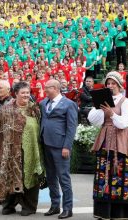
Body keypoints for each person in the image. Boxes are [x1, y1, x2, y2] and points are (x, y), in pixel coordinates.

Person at [0, 81, 45, 216]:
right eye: (22, 92)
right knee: (8, 176)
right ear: (15, 94)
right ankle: (8, 205)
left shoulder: (34, 109)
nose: (25, 95)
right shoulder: (5, 110)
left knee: (29, 177)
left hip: (31, 150)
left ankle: (28, 206)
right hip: (9, 151)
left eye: (27, 93)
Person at [88, 71, 128, 219]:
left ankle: (122, 213)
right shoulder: (103, 101)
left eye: (113, 84)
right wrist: (99, 108)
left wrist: (112, 114)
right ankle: (103, 212)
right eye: (108, 84)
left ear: (119, 86)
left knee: (121, 174)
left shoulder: (126, 102)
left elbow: (123, 123)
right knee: (103, 174)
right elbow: (93, 120)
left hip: (121, 141)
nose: (110, 86)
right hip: (105, 140)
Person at [40, 79, 78, 219]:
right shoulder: (43, 103)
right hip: (46, 144)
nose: (45, 90)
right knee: (50, 177)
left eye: (47, 88)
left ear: (55, 88)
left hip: (61, 146)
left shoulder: (69, 104)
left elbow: (71, 127)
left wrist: (67, 146)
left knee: (63, 178)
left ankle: (68, 208)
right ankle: (55, 205)